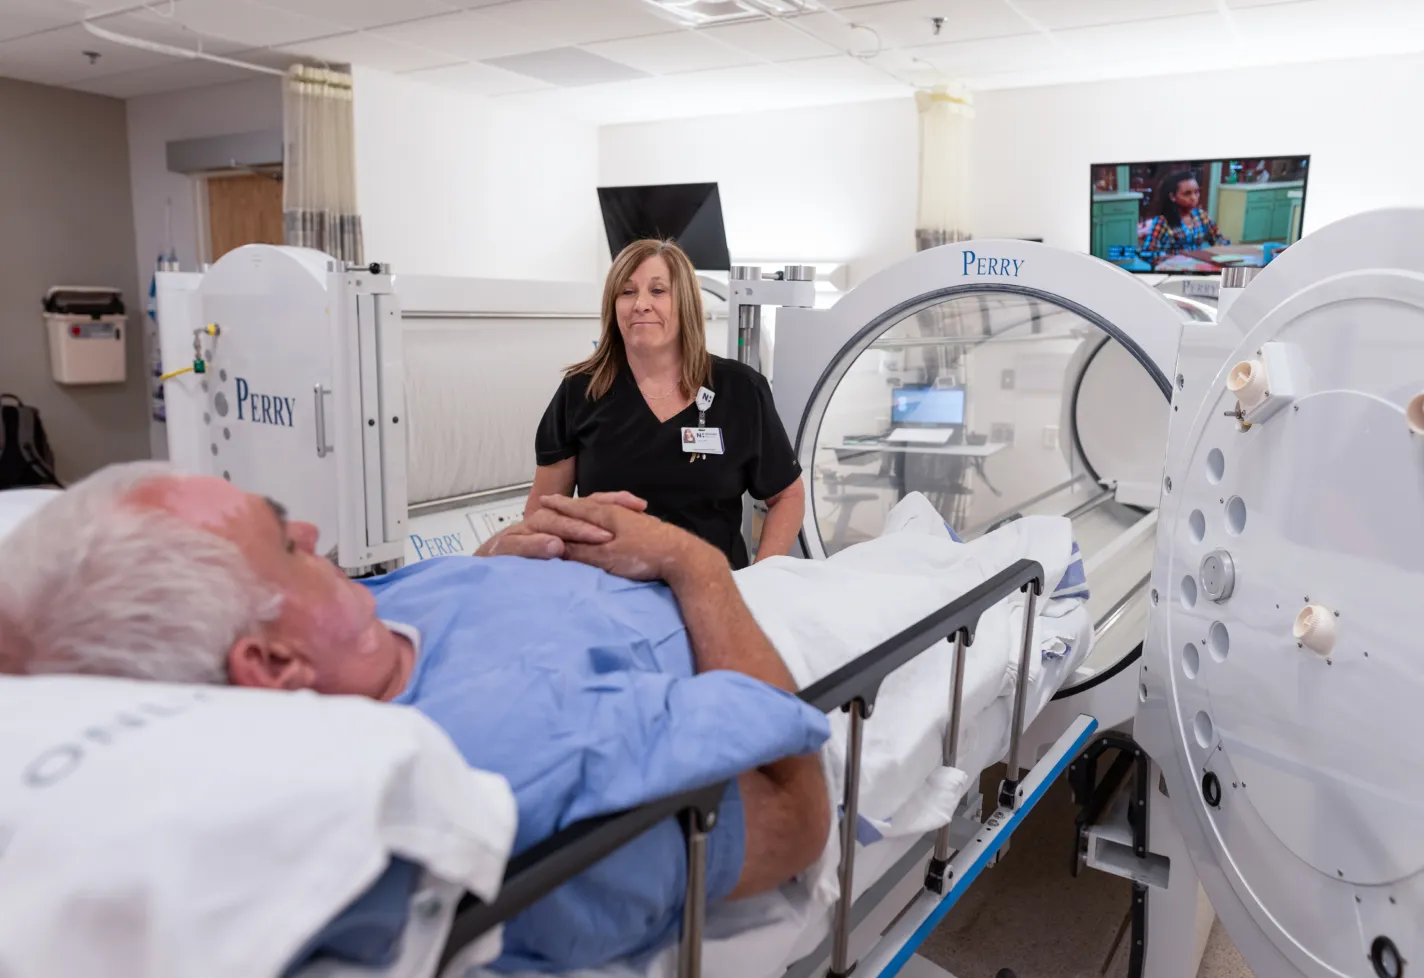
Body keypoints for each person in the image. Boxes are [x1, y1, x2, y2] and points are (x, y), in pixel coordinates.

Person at [0, 461, 829, 972]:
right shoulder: (514, 771)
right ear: (277, 667)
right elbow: (794, 821)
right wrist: (694, 562)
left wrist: (504, 567)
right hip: (774, 625)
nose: (315, 531)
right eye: (287, 544)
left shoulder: (346, 629)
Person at [529, 239, 805, 570]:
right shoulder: (581, 392)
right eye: (627, 292)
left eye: (658, 291)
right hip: (610, 593)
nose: (640, 304)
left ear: (685, 302)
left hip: (713, 592)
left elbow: (787, 496)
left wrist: (762, 577)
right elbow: (545, 513)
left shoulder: (741, 390)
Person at [1141, 170, 1230, 265]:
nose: (1194, 197)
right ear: (1173, 197)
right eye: (1187, 194)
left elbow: (1220, 239)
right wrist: (1176, 258)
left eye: (1196, 192)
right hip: (1174, 270)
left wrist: (1217, 249)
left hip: (1199, 268)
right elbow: (1147, 253)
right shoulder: (1162, 221)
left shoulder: (1201, 216)